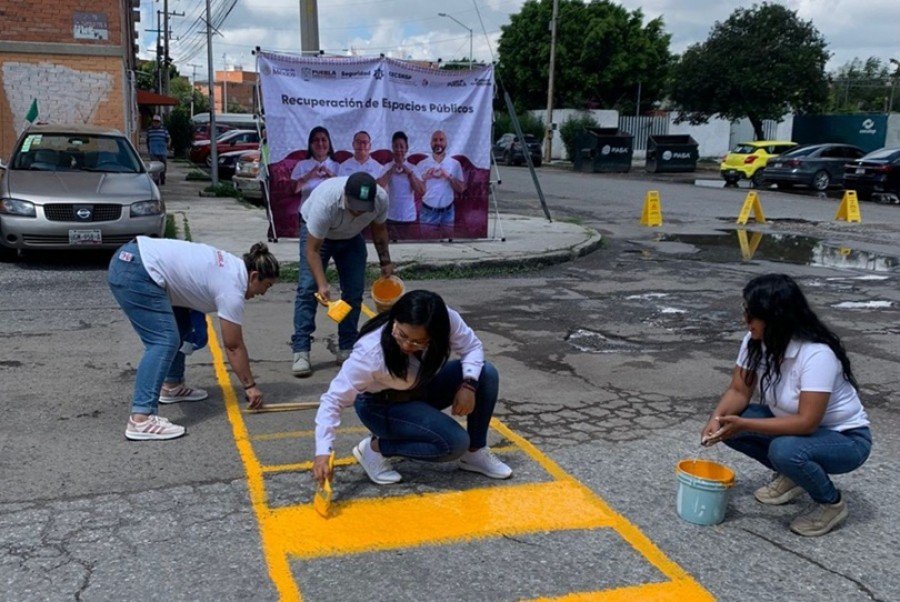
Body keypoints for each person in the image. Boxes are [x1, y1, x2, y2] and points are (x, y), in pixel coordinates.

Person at [701, 274, 872, 537]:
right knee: (730, 421)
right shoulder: (755, 341)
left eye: (751, 314)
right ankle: (794, 475)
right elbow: (739, 390)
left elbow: (807, 422)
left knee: (784, 449)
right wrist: (717, 418)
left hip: (846, 440)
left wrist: (743, 423)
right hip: (797, 429)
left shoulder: (816, 354)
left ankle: (831, 504)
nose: (745, 320)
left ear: (775, 317)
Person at [312, 290, 512, 486]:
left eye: (419, 342)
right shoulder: (369, 353)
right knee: (454, 443)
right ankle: (375, 449)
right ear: (395, 320)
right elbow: (333, 400)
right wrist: (323, 452)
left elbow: (472, 347)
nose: (407, 345)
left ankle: (475, 453)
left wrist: (468, 385)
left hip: (421, 386)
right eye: (402, 335)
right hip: (382, 405)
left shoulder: (447, 320)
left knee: (486, 373)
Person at [108, 238, 279, 440]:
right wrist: (250, 387)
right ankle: (141, 418)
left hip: (135, 261)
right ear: (254, 276)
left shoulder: (233, 267)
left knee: (181, 327)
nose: (263, 293)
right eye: (266, 286)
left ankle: (172, 386)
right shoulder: (232, 288)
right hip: (137, 270)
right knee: (163, 341)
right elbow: (233, 346)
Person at [291, 172, 393, 377]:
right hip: (320, 238)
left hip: (352, 237)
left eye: (363, 209)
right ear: (344, 195)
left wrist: (385, 261)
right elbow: (312, 251)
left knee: (354, 291)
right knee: (308, 288)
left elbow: (379, 229)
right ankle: (301, 350)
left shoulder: (381, 199)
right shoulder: (326, 203)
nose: (357, 212)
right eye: (353, 206)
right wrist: (322, 284)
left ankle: (347, 347)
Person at [416, 130, 466, 233]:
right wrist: (424, 178)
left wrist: (449, 176)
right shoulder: (422, 164)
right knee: (427, 245)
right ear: (430, 143)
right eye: (435, 140)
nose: (438, 143)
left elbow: (461, 189)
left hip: (448, 213)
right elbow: (415, 190)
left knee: (448, 246)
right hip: (428, 213)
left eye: (441, 140)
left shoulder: (454, 164)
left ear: (446, 143)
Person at [377, 130, 424, 224]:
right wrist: (390, 172)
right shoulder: (387, 167)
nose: (399, 150)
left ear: (406, 148)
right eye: (396, 146)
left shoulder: (412, 168)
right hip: (390, 216)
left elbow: (421, 190)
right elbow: (378, 187)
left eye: (401, 146)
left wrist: (409, 173)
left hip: (409, 216)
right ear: (392, 148)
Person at [290, 126, 339, 204]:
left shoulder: (338, 166)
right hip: (307, 212)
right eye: (316, 140)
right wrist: (309, 175)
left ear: (329, 144)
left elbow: (344, 191)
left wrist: (332, 176)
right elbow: (293, 190)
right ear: (310, 145)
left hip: (331, 212)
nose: (320, 143)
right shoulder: (301, 165)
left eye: (323, 140)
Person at [146, 114, 170, 185]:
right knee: (155, 166)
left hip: (162, 151)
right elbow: (148, 140)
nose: (156, 123)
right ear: (152, 122)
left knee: (163, 166)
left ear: (160, 122)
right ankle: (156, 180)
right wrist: (149, 148)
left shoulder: (164, 130)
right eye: (154, 121)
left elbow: (168, 138)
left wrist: (168, 144)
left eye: (157, 121)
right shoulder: (149, 130)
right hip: (153, 151)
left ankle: (162, 177)